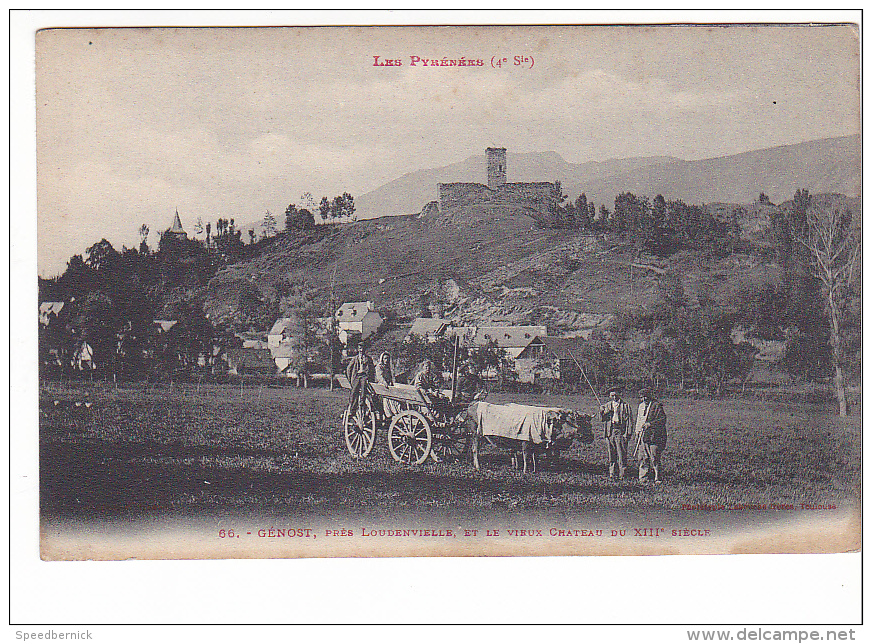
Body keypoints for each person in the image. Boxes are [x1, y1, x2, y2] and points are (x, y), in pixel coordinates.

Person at [600, 386, 634, 480]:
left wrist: (627, 434)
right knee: (611, 453)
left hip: (620, 431)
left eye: (615, 395)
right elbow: (603, 419)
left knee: (621, 453)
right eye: (612, 395)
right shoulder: (607, 405)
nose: (614, 397)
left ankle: (622, 474)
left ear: (619, 394)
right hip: (610, 432)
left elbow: (629, 421)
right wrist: (602, 412)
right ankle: (612, 473)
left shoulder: (625, 406)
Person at [635, 388, 667, 483]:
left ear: (650, 396)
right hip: (643, 435)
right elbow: (639, 420)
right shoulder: (640, 406)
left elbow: (662, 419)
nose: (644, 399)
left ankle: (658, 477)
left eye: (646, 397)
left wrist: (650, 424)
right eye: (642, 397)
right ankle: (643, 477)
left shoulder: (656, 406)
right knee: (643, 457)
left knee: (654, 457)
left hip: (654, 436)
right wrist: (637, 432)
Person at [345, 343, 375, 415]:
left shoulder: (368, 358)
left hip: (364, 376)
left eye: (363, 349)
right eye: (360, 349)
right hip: (357, 376)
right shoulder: (355, 358)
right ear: (358, 350)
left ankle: (362, 405)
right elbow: (348, 368)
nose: (361, 350)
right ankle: (352, 409)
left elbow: (372, 369)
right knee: (353, 392)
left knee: (363, 390)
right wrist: (350, 378)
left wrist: (371, 378)